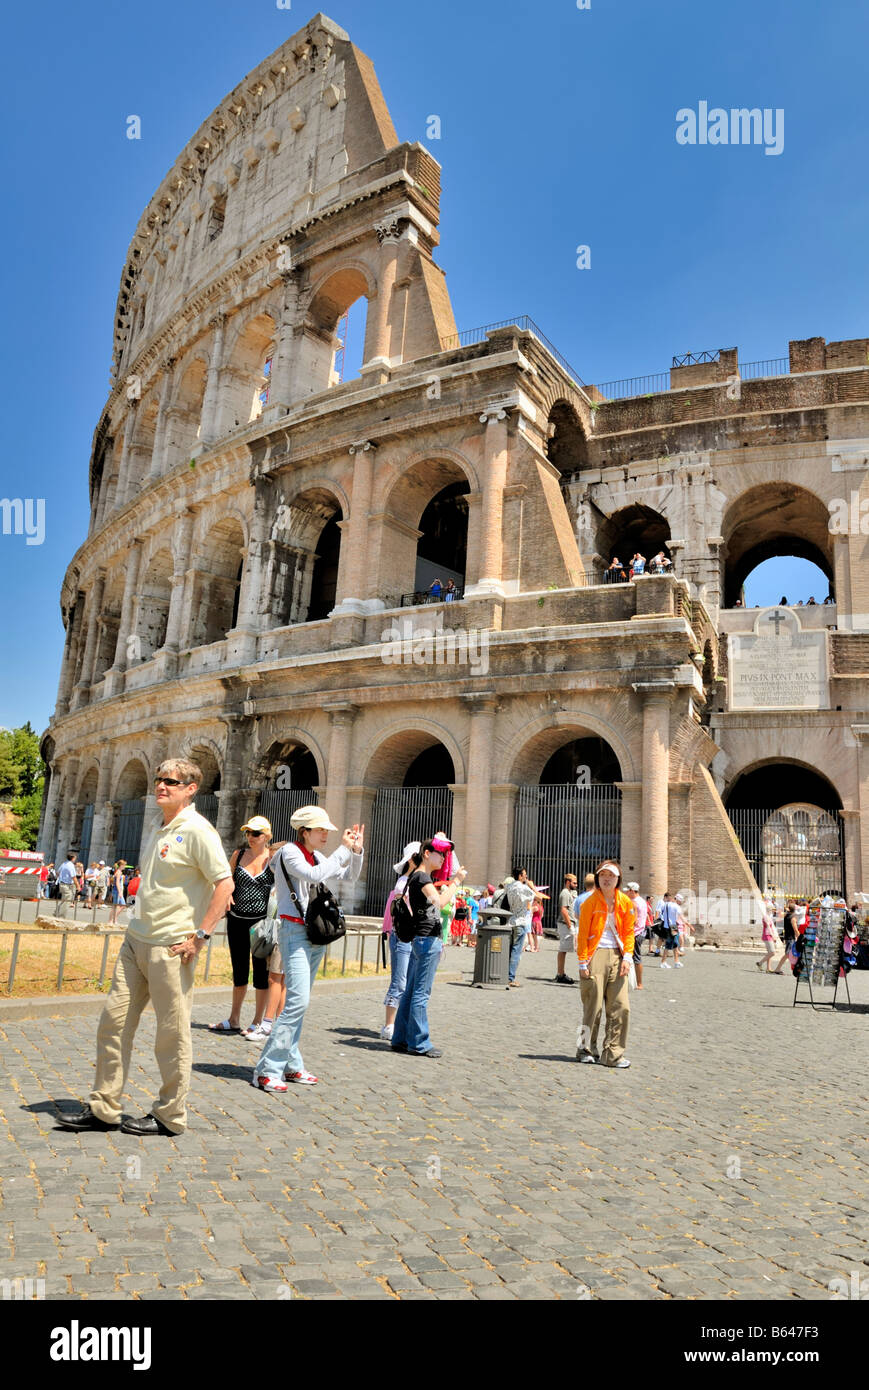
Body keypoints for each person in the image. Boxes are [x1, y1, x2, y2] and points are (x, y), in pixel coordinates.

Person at [57, 757, 233, 1135]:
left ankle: (171, 1115)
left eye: (171, 781)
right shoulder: (157, 825)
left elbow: (225, 885)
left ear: (190, 789)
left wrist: (200, 936)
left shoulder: (199, 831)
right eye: (158, 779)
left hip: (171, 946)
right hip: (136, 940)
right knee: (113, 1023)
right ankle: (104, 1108)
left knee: (171, 1034)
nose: (161, 786)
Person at [252, 806, 364, 1093]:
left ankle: (290, 1064)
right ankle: (267, 1070)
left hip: (313, 933)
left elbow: (347, 876)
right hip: (293, 931)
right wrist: (342, 850)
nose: (326, 834)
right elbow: (313, 876)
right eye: (320, 830)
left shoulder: (317, 855)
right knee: (297, 1002)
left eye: (327, 830)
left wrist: (356, 853)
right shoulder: (289, 852)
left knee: (300, 1002)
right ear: (304, 831)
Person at [390, 839, 467, 1057]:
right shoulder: (422, 877)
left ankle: (400, 1038)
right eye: (439, 854)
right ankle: (419, 1043)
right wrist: (457, 882)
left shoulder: (418, 877)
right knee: (421, 994)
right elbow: (440, 902)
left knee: (411, 991)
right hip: (427, 939)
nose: (443, 858)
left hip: (419, 939)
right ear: (426, 853)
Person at [209, 816, 276, 1038]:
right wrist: (226, 896)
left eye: (255, 833)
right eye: (247, 833)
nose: (250, 837)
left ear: (266, 836)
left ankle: (258, 1021)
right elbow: (226, 880)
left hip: (261, 924)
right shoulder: (238, 855)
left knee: (261, 972)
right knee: (239, 970)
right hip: (237, 919)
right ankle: (234, 1018)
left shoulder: (273, 858)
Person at [576, 860, 635, 1068]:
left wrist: (628, 957)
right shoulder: (589, 903)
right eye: (603, 876)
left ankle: (613, 1054)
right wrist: (583, 962)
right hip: (595, 955)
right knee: (592, 1008)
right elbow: (582, 935)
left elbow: (628, 933)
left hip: (618, 955)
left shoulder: (626, 903)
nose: (607, 879)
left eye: (611, 876)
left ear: (618, 879)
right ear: (598, 879)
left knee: (621, 1007)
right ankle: (584, 1049)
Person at [380, 842, 420, 1042]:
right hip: (402, 936)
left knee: (411, 982)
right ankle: (389, 1025)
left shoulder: (420, 881)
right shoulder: (403, 883)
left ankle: (402, 1024)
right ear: (411, 860)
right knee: (399, 981)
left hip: (415, 938)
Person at [506, 868, 536, 987]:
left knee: (508, 950)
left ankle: (505, 974)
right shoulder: (522, 888)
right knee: (516, 951)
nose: (526, 877)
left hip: (511, 920)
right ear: (520, 876)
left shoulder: (509, 886)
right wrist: (531, 886)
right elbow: (535, 896)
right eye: (525, 875)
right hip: (521, 921)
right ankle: (510, 977)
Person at [555, 872, 578, 984]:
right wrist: (570, 925)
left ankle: (560, 973)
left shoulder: (569, 893)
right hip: (565, 924)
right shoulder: (565, 893)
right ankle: (560, 974)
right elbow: (564, 910)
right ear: (568, 882)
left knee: (565, 949)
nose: (576, 885)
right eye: (574, 883)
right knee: (563, 949)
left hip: (568, 923)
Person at [625, 881, 647, 988]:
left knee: (636, 958)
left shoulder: (635, 903)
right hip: (640, 931)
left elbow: (633, 920)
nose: (626, 894)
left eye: (627, 891)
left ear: (632, 891)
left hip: (635, 933)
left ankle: (639, 983)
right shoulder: (641, 901)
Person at [658, 892, 682, 968]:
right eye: (680, 901)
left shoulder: (666, 904)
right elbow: (681, 916)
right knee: (668, 944)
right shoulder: (676, 906)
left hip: (669, 926)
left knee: (675, 944)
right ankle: (663, 962)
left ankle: (676, 962)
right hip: (672, 927)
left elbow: (661, 913)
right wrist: (689, 925)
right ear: (677, 900)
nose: (680, 903)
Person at [756, 906, 782, 973]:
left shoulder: (768, 917)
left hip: (768, 935)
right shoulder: (766, 917)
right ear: (769, 910)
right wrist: (773, 936)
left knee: (769, 953)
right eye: (772, 910)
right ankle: (760, 963)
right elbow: (768, 927)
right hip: (768, 936)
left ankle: (768, 968)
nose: (773, 911)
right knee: (772, 952)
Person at [56, 853, 78, 917]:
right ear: (73, 858)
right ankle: (61, 915)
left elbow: (57, 872)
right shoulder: (71, 866)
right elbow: (73, 877)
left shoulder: (64, 864)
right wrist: (78, 886)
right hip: (66, 884)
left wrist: (61, 877)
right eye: (75, 858)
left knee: (64, 899)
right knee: (67, 899)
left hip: (62, 883)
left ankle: (57, 912)